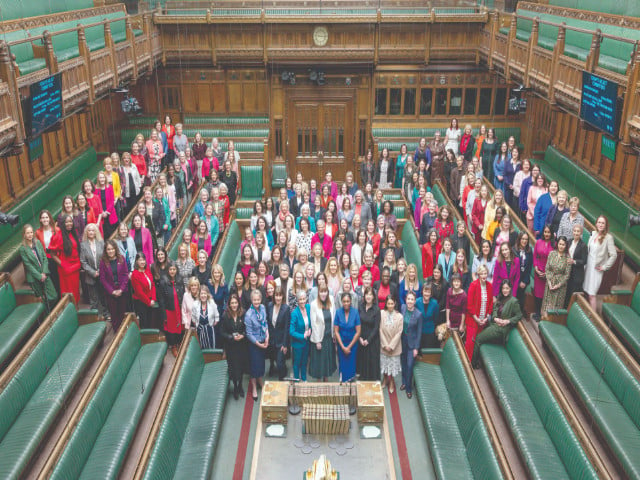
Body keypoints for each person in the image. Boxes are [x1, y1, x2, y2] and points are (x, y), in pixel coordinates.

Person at [471, 280, 522, 369]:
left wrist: (507, 321)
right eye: (503, 288)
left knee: (478, 338)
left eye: (507, 288)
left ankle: (473, 364)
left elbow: (519, 316)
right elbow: (494, 308)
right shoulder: (500, 297)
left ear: (510, 289)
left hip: (501, 329)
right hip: (494, 323)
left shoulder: (514, 301)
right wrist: (495, 318)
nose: (505, 290)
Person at [19, 224, 57, 310]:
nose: (30, 235)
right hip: (34, 277)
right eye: (27, 233)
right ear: (24, 234)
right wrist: (39, 276)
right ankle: (46, 317)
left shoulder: (38, 243)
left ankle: (49, 312)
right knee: (41, 299)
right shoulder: (22, 249)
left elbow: (44, 258)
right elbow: (28, 265)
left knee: (53, 296)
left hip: (44, 273)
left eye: (31, 232)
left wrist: (44, 272)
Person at [584, 215, 617, 311]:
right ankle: (587, 312)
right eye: (599, 222)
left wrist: (605, 267)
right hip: (588, 266)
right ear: (596, 223)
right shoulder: (593, 233)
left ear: (606, 225)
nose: (600, 225)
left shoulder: (608, 238)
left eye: (603, 223)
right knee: (586, 291)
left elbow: (614, 255)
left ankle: (593, 319)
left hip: (596, 269)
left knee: (592, 295)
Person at [220, 293, 249, 400]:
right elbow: (222, 332)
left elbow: (247, 328)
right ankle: (235, 387)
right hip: (231, 347)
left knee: (241, 367)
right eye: (232, 303)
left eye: (235, 302)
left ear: (238, 303)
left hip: (241, 346)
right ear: (229, 304)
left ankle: (240, 386)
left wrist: (243, 335)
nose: (234, 305)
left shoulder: (243, 313)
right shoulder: (225, 315)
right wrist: (231, 337)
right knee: (233, 368)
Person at [48, 214, 81, 305]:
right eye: (66, 222)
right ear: (62, 224)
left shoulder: (73, 233)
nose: (69, 224)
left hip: (75, 267)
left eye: (70, 221)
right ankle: (70, 311)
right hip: (66, 269)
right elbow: (52, 253)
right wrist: (63, 264)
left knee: (76, 291)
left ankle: (76, 309)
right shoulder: (58, 236)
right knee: (69, 293)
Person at [99, 240, 129, 331]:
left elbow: (125, 274)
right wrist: (112, 291)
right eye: (108, 249)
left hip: (122, 291)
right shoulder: (103, 262)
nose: (111, 251)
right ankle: (116, 333)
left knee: (121, 313)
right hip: (110, 293)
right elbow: (103, 279)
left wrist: (121, 289)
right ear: (106, 251)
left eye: (112, 249)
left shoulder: (122, 259)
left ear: (115, 249)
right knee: (114, 314)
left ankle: (122, 332)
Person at [309, 286, 337, 381]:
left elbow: (334, 318)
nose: (323, 294)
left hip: (329, 337)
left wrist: (334, 334)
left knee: (327, 362)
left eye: (325, 292)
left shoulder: (331, 300)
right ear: (318, 293)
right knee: (319, 364)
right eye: (321, 292)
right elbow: (313, 323)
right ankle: (319, 382)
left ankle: (326, 381)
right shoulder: (314, 304)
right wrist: (317, 341)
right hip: (320, 338)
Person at [465, 265, 493, 360]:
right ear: (478, 274)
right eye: (482, 273)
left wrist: (486, 318)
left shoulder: (489, 286)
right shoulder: (473, 285)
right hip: (473, 320)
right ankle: (467, 363)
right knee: (470, 343)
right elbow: (469, 305)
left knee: (478, 343)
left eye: (485, 273)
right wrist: (476, 319)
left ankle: (474, 362)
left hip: (483, 321)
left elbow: (490, 304)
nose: (484, 275)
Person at [80, 223, 107, 317]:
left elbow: (105, 258)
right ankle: (95, 317)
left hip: (102, 274)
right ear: (86, 232)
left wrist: (100, 271)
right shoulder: (83, 245)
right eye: (89, 230)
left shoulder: (101, 243)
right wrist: (92, 272)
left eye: (93, 230)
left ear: (96, 232)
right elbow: (83, 262)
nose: (91, 232)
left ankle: (105, 314)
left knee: (103, 296)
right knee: (93, 299)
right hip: (90, 276)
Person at [541, 236, 572, 318]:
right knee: (546, 305)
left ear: (566, 246)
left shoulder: (568, 258)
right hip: (550, 283)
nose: (561, 246)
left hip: (560, 287)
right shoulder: (552, 253)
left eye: (563, 244)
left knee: (555, 308)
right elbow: (547, 269)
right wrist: (550, 283)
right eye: (560, 244)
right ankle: (544, 320)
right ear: (557, 244)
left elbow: (567, 275)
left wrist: (558, 285)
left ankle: (553, 322)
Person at [158, 263, 185, 356]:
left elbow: (183, 293)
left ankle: (180, 343)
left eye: (174, 269)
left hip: (179, 308)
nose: (172, 271)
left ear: (176, 270)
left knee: (180, 327)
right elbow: (161, 300)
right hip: (169, 310)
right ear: (167, 271)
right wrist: (163, 315)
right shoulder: (163, 282)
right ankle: (173, 346)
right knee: (172, 329)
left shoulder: (180, 279)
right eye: (170, 269)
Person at [334, 292, 361, 382]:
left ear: (351, 302)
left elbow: (358, 332)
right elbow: (336, 331)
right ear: (341, 302)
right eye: (344, 301)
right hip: (341, 344)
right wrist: (342, 347)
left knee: (351, 365)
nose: (346, 303)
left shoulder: (355, 312)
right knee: (342, 365)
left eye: (348, 301)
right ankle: (343, 382)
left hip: (352, 345)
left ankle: (351, 384)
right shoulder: (338, 312)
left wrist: (348, 347)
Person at [355, 287, 381, 381]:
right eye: (367, 294)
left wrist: (368, 340)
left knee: (371, 363)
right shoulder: (360, 306)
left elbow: (376, 327)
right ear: (364, 296)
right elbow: (357, 323)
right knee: (362, 361)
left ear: (374, 297)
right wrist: (360, 337)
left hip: (372, 340)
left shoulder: (377, 310)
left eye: (370, 294)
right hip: (361, 338)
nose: (368, 296)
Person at [399, 291, 421, 399]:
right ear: (406, 300)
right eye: (408, 299)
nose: (410, 301)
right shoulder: (402, 308)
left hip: (412, 344)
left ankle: (408, 388)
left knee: (409, 365)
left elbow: (419, 333)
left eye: (412, 299)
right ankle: (404, 382)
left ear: (415, 301)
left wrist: (416, 348)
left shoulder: (418, 314)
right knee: (403, 363)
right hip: (402, 341)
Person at [266, 287, 290, 380]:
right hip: (271, 339)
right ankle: (272, 367)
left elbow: (286, 328)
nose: (278, 298)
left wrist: (285, 345)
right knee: (272, 358)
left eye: (280, 295)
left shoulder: (286, 308)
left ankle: (282, 377)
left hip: (281, 341)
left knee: (280, 363)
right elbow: (268, 323)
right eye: (276, 295)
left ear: (283, 296)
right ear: (274, 296)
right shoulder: (269, 306)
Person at [533, 225, 554, 321]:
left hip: (548, 272)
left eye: (549, 232)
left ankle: (543, 313)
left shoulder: (554, 244)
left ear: (551, 233)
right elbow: (535, 256)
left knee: (545, 294)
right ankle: (537, 312)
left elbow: (554, 259)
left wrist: (547, 273)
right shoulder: (538, 242)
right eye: (545, 232)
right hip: (538, 271)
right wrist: (536, 268)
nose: (547, 234)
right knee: (537, 294)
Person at [131, 253, 157, 329]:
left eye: (143, 260)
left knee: (151, 322)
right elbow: (139, 293)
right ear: (136, 262)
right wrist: (149, 302)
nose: (142, 262)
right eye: (140, 260)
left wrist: (153, 299)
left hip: (150, 300)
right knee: (144, 324)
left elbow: (152, 285)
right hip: (141, 302)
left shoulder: (147, 270)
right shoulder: (135, 274)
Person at [289, 290, 311, 381]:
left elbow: (312, 321)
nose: (302, 301)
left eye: (304, 299)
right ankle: (297, 380)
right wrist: (302, 335)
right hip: (297, 344)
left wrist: (310, 329)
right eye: (300, 299)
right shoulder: (294, 313)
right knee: (297, 363)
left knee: (304, 362)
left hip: (307, 342)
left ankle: (304, 379)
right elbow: (291, 331)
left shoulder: (309, 307)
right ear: (297, 301)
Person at [566, 224, 588, 307]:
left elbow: (584, 261)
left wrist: (574, 261)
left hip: (577, 274)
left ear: (581, 233)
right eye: (574, 231)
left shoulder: (583, 246)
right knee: (567, 292)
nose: (576, 233)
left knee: (573, 294)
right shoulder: (569, 241)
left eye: (578, 231)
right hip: (568, 272)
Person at [514, 231, 533, 313]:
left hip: (524, 281)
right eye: (522, 239)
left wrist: (524, 281)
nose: (524, 241)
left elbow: (529, 268)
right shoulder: (514, 250)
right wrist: (518, 282)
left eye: (526, 239)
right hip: (514, 280)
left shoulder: (529, 251)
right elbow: (513, 269)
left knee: (521, 301)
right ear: (519, 239)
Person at [416, 282, 439, 348]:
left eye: (428, 292)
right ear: (422, 292)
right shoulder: (417, 302)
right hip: (419, 332)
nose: (426, 294)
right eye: (425, 291)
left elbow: (436, 318)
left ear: (431, 293)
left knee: (428, 354)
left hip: (430, 332)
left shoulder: (435, 303)